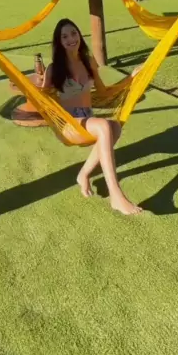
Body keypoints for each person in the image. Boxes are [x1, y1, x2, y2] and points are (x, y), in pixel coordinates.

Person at [40, 18, 142, 216]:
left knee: (115, 128)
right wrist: (31, 91)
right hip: (68, 122)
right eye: (64, 36)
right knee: (104, 126)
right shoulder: (54, 69)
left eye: (74, 33)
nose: (71, 39)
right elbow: (43, 98)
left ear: (79, 35)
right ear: (59, 42)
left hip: (87, 117)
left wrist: (130, 79)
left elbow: (103, 92)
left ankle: (83, 174)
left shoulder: (89, 62)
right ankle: (116, 194)